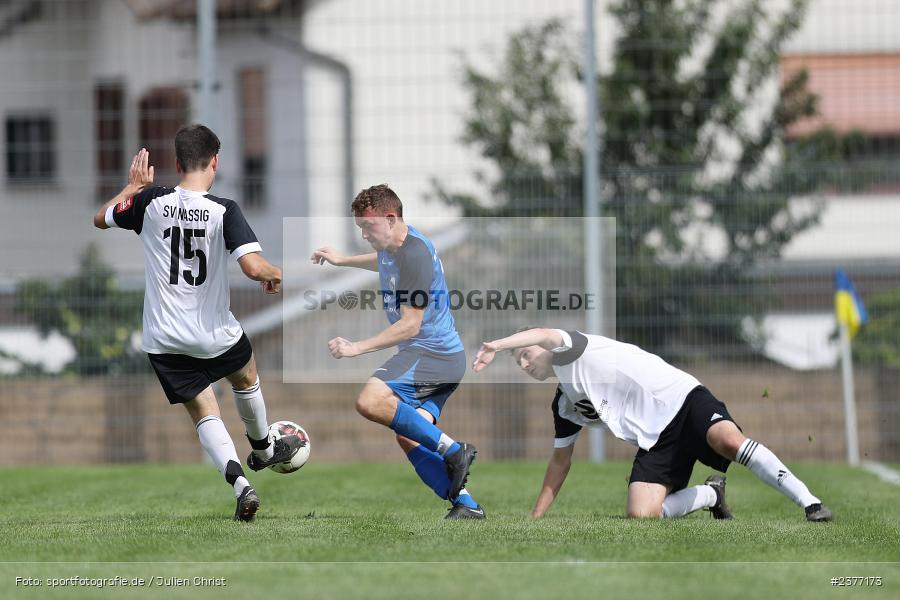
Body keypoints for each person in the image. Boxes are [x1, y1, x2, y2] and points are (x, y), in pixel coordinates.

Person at [93, 125, 300, 522]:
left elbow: (100, 218)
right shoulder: (225, 210)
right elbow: (254, 268)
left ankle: (242, 486)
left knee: (204, 412)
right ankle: (262, 449)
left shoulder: (150, 201)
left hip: (164, 337)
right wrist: (276, 272)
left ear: (176, 163)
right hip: (213, 333)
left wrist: (132, 188)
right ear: (216, 161)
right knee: (245, 375)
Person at [472, 327, 833, 522]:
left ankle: (810, 503)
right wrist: (535, 519)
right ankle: (712, 495)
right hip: (656, 439)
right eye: (518, 361)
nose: (524, 362)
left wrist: (499, 345)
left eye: (525, 354)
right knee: (641, 514)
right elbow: (560, 463)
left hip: (683, 400)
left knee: (729, 441)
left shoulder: (573, 349)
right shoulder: (565, 406)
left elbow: (545, 333)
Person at [310, 184, 484, 519]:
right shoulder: (396, 244)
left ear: (390, 218)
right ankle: (466, 504)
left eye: (367, 227)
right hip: (443, 358)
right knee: (410, 436)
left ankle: (454, 450)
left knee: (370, 401)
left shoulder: (415, 255)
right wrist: (342, 260)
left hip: (431, 356)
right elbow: (382, 261)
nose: (364, 235)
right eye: (360, 228)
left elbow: (410, 326)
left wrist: (357, 348)